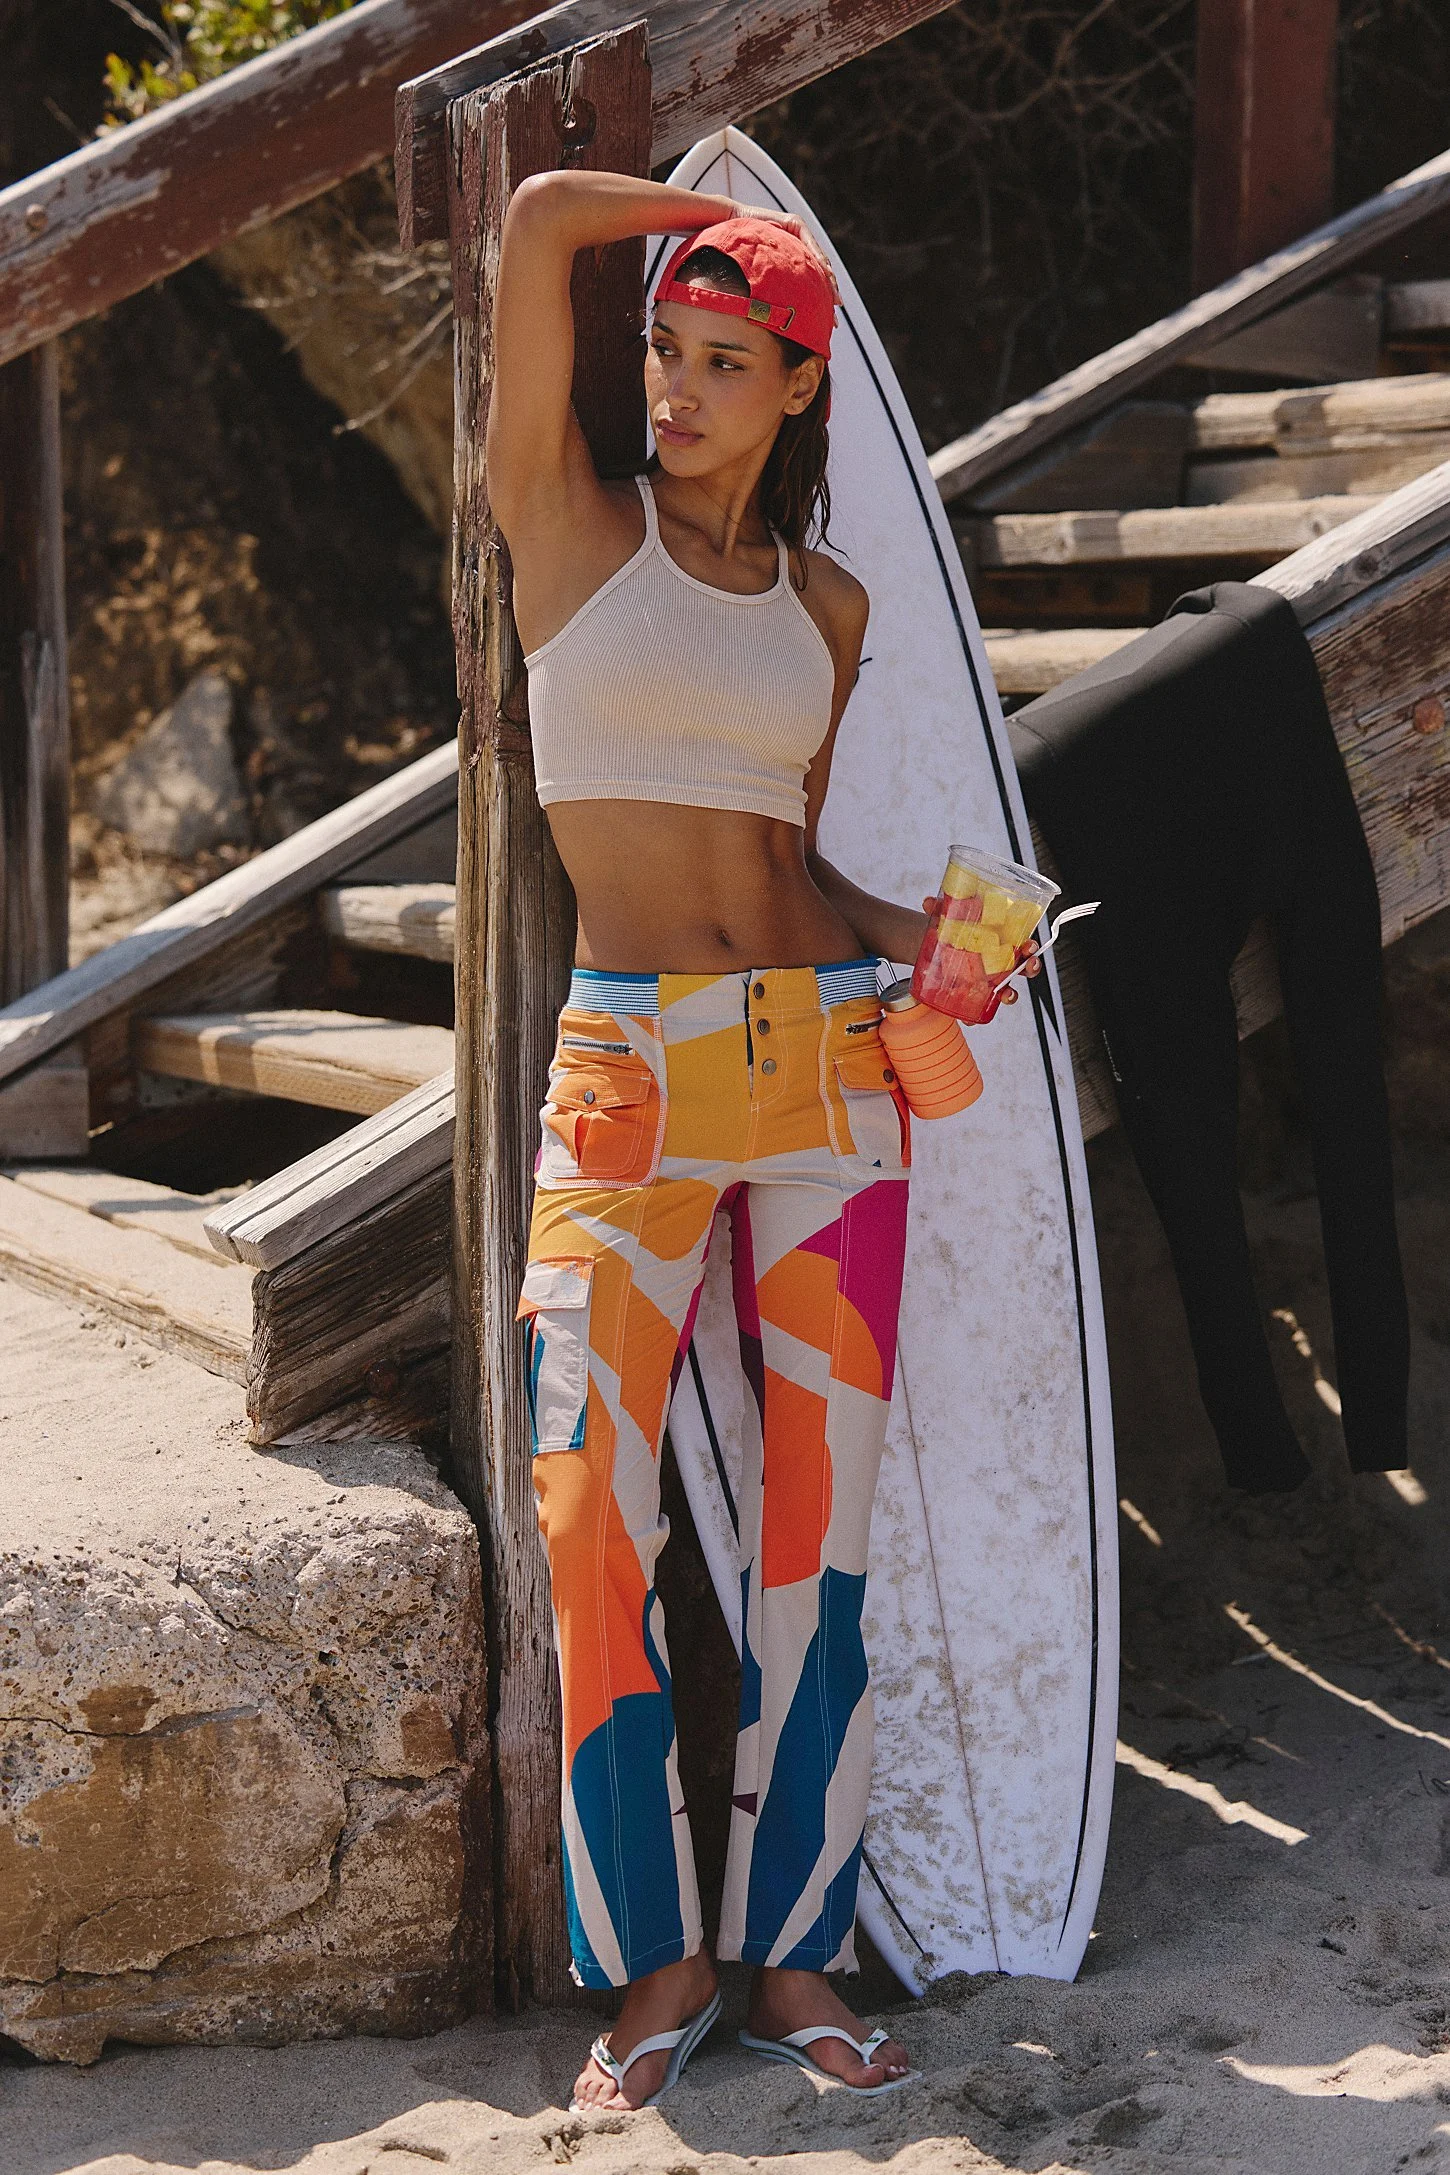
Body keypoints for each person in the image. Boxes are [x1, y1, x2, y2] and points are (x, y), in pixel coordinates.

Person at [488, 170, 1036, 2115]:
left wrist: (952, 944)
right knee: (581, 1508)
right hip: (627, 1078)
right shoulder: (567, 524)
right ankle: (654, 1963)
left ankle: (794, 1946)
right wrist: (688, 189)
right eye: (667, 348)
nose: (681, 388)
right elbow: (542, 213)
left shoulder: (827, 603)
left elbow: (786, 865)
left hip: (824, 1076)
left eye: (727, 361)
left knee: (820, 1541)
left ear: (797, 387)